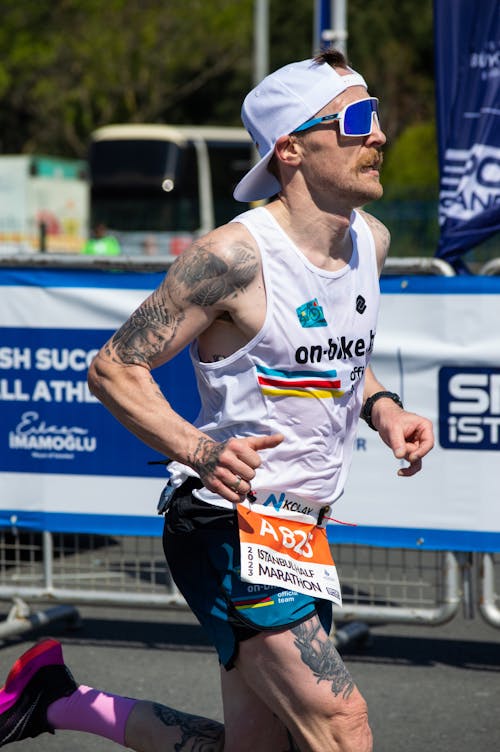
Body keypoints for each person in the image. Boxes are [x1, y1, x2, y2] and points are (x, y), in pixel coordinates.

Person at [0, 50, 434, 752]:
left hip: (303, 534)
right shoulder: (233, 259)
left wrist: (384, 409)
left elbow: (340, 359)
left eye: (377, 115)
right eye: (358, 120)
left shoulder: (370, 244)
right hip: (227, 527)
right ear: (291, 148)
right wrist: (201, 450)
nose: (379, 135)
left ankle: (58, 701)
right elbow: (114, 368)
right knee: (342, 728)